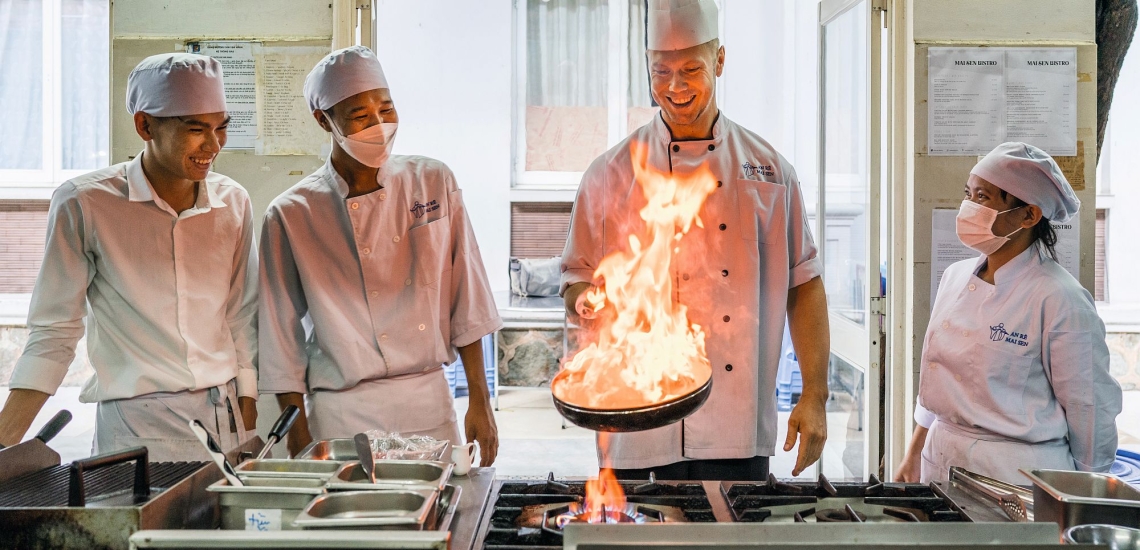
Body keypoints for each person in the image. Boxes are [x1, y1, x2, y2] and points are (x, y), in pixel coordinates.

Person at [561, 0, 830, 481]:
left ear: (720, 61)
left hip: (736, 423)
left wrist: (815, 396)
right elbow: (577, 280)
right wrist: (589, 303)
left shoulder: (769, 172)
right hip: (634, 423)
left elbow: (804, 285)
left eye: (691, 69)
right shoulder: (608, 174)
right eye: (660, 71)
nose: (675, 86)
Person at [0, 53, 259, 461]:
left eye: (220, 127)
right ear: (145, 125)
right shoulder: (87, 203)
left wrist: (248, 416)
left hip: (222, 419)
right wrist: (5, 437)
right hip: (135, 427)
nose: (213, 145)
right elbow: (54, 331)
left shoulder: (233, 203)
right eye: (196, 129)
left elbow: (242, 315)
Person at [258, 46, 502, 464]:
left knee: (437, 523)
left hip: (427, 402)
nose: (379, 125)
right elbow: (280, 338)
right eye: (359, 116)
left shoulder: (433, 181)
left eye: (386, 110)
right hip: (342, 414)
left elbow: (468, 298)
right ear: (324, 120)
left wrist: (480, 401)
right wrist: (299, 440)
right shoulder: (293, 212)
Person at [894, 142, 1122, 484]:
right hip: (940, 459)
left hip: (1014, 477)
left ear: (1028, 215)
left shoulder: (1060, 298)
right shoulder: (955, 276)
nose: (968, 207)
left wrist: (1085, 494)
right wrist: (913, 454)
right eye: (968, 194)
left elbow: (1089, 410)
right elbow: (936, 378)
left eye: (983, 197)